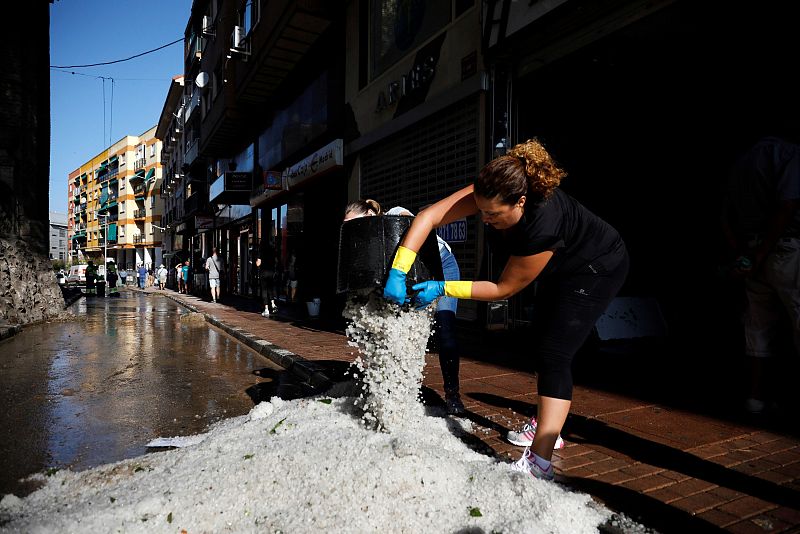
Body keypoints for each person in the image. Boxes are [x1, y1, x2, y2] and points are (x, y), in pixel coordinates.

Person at [383, 138, 629, 481]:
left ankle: (540, 460)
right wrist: (399, 268)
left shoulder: (543, 222)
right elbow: (429, 216)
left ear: (521, 202)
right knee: (540, 338)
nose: (484, 219)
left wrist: (443, 288)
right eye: (481, 210)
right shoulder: (494, 189)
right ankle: (548, 423)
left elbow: (505, 288)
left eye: (493, 215)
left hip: (597, 265)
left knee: (554, 353)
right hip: (561, 264)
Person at [720, 133, 800, 415]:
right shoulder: (790, 154)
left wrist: (744, 255)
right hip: (783, 250)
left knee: (758, 327)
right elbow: (787, 205)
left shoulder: (743, 160)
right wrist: (761, 254)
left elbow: (725, 213)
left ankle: (757, 397)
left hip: (752, 252)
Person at [385, 205, 466, 415]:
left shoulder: (392, 214)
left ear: (368, 213)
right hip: (412, 271)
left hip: (442, 264)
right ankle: (401, 390)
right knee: (406, 332)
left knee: (445, 328)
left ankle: (452, 393)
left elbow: (411, 219)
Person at [256, 247, 278, 318]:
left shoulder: (261, 252)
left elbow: (258, 264)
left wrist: (256, 261)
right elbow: (276, 261)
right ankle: (273, 304)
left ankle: (266, 309)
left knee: (264, 291)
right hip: (271, 273)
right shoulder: (272, 252)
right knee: (270, 288)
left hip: (263, 273)